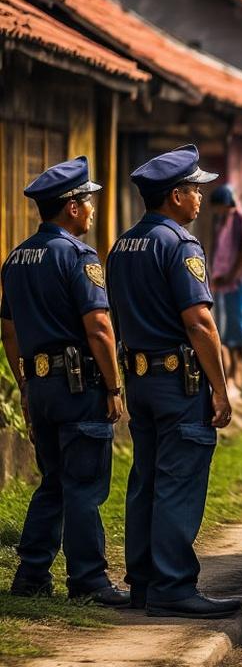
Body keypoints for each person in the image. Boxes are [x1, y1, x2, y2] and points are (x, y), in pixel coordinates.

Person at [106, 145, 240, 619]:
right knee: (177, 482)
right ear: (175, 196)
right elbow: (199, 323)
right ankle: (173, 586)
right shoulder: (180, 245)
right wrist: (220, 389)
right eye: (194, 189)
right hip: (177, 382)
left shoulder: (121, 246)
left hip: (140, 378)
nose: (201, 197)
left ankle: (143, 583)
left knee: (146, 479)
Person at [0, 157, 128, 605]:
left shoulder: (16, 258)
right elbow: (99, 327)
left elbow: (9, 332)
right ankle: (88, 581)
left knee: (53, 481)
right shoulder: (78, 255)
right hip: (78, 388)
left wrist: (24, 386)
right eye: (88, 201)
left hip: (40, 388)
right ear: (72, 207)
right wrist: (113, 387)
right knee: (84, 485)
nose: (92, 209)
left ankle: (31, 575)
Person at [209, 185, 242, 391]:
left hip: (240, 283)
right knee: (228, 334)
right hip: (224, 284)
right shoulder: (221, 222)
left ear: (224, 204)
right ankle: (233, 377)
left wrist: (231, 276)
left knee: (241, 334)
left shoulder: (240, 219)